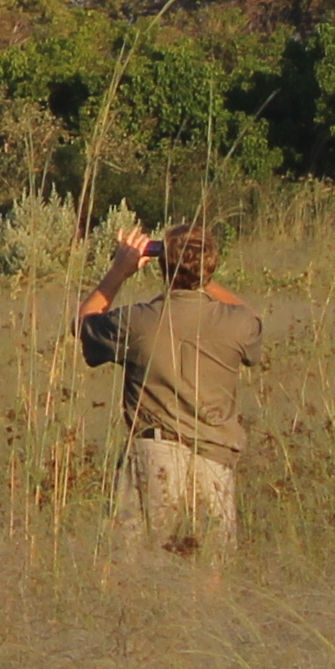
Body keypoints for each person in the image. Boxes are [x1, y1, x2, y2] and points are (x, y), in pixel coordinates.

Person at [78, 217, 264, 560]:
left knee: (134, 565)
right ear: (210, 264)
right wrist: (200, 274)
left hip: (154, 454)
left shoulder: (138, 321)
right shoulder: (236, 324)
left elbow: (85, 323)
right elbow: (253, 320)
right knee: (210, 569)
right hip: (215, 456)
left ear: (163, 265)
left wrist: (120, 270)